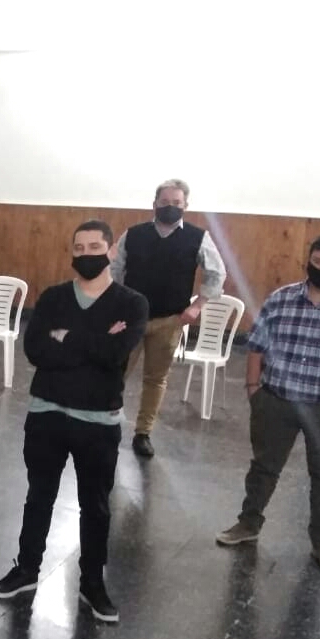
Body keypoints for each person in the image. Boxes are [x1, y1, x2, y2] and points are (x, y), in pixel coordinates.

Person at [0, 220, 148, 624]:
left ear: (111, 251)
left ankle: (91, 582)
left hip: (98, 420)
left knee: (95, 506)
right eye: (79, 247)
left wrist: (66, 337)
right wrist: (96, 340)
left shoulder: (132, 304)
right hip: (46, 412)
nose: (86, 253)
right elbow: (35, 349)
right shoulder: (54, 296)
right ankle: (27, 569)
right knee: (38, 496)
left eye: (95, 246)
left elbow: (115, 355)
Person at [215, 233, 320, 573]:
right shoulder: (281, 299)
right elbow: (256, 346)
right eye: (319, 261)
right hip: (276, 400)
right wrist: (253, 388)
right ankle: (248, 524)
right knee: (263, 468)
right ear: (308, 261)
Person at [109, 179, 226, 458]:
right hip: (130, 319)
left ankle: (143, 433)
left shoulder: (198, 237)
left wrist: (198, 306)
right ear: (155, 204)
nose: (170, 207)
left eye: (176, 203)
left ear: (185, 205)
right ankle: (107, 425)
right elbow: (114, 269)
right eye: (164, 202)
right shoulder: (133, 234)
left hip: (170, 321)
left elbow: (217, 273)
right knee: (114, 374)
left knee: (156, 379)